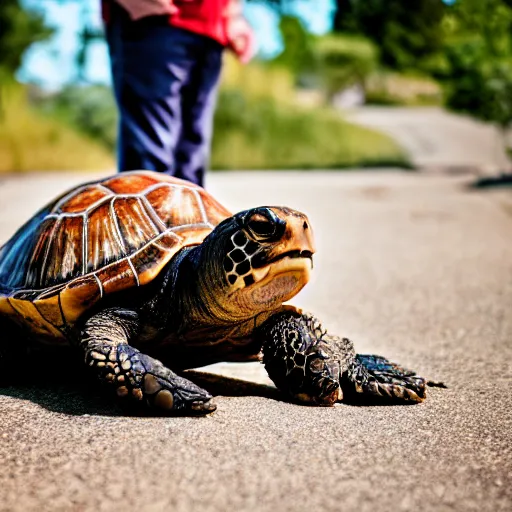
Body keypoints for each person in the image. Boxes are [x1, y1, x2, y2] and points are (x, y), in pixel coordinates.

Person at [102, 0, 256, 186]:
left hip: (212, 27)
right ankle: (143, 215)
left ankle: (189, 217)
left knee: (192, 159)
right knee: (150, 166)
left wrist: (233, 13)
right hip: (152, 18)